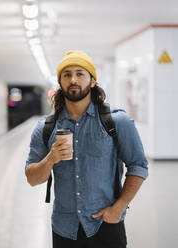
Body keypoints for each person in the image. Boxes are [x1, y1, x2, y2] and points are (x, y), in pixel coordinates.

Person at [25, 51, 148, 248]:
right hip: (65, 229)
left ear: (92, 81)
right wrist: (50, 159)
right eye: (66, 75)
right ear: (61, 83)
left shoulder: (117, 122)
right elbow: (32, 178)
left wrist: (119, 207)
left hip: (106, 225)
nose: (73, 79)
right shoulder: (46, 128)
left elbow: (138, 166)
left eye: (80, 73)